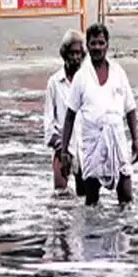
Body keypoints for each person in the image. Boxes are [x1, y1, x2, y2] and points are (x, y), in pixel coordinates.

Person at [59, 23, 138, 207]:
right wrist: (64, 151)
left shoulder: (119, 72)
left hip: (117, 140)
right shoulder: (81, 76)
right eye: (93, 43)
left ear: (107, 45)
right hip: (92, 142)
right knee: (92, 200)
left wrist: (135, 141)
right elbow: (70, 115)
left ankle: (124, 233)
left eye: (101, 43)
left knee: (126, 197)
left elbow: (130, 108)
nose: (97, 47)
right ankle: (92, 234)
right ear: (87, 46)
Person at [45, 30, 85, 194]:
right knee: (60, 198)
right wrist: (61, 147)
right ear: (64, 54)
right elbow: (48, 123)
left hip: (85, 148)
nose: (76, 57)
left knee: (87, 200)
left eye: (79, 53)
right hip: (63, 148)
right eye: (72, 53)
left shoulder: (87, 82)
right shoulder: (54, 83)